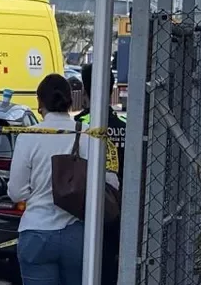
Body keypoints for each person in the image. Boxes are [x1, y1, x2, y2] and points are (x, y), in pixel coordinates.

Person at [9, 74, 116, 285]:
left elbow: (16, 192)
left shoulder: (28, 136)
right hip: (78, 235)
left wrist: (39, 192)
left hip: (36, 232)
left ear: (40, 103)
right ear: (70, 100)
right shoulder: (88, 135)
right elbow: (111, 183)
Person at [74, 63, 126, 285]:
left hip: (82, 211)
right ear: (112, 90)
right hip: (118, 211)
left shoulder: (78, 126)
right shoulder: (125, 126)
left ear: (84, 93)